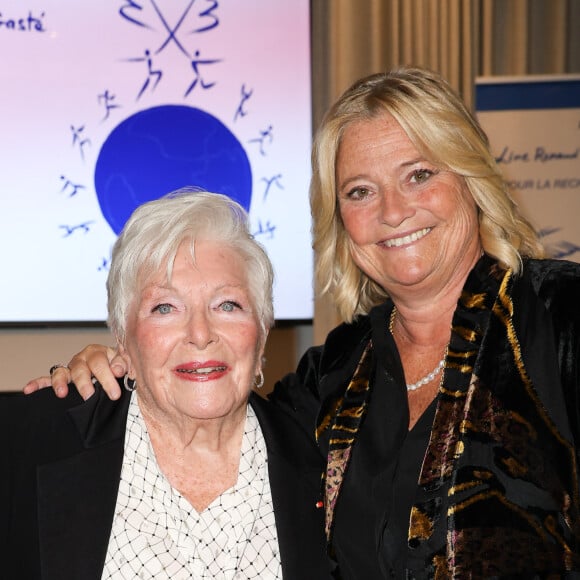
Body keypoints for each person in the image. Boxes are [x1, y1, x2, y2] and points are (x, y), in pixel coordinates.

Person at [26, 67, 580, 578]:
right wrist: (111, 360)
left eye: (418, 175)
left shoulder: (561, 322)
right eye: (360, 191)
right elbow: (210, 387)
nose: (392, 210)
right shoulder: (338, 375)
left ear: (470, 178)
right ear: (340, 221)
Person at [3, 190, 331, 580]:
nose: (200, 334)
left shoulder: (328, 459)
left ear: (261, 335)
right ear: (123, 339)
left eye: (227, 305)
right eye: (165, 308)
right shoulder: (27, 443)